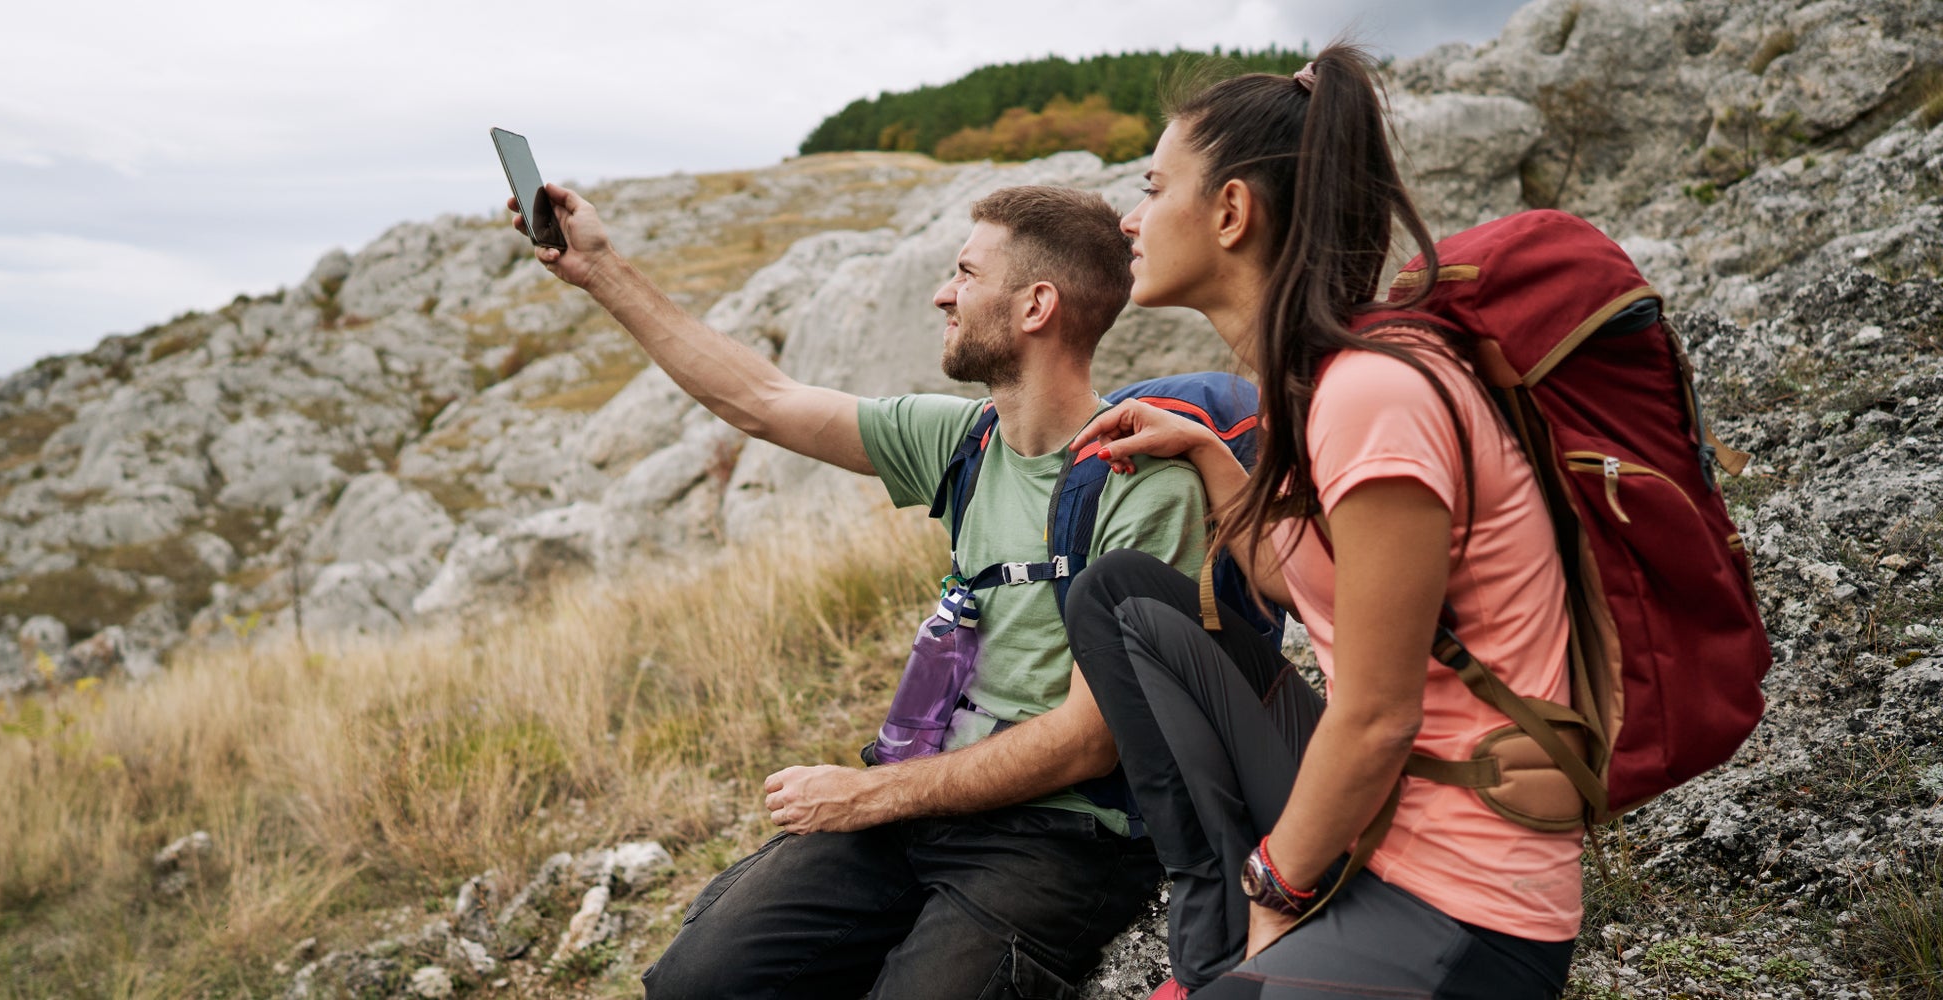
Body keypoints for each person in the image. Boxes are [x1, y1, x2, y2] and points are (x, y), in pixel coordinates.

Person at [512, 181, 1209, 998]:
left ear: (1036, 307)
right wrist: (599, 269)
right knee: (698, 982)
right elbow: (764, 402)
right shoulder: (963, 441)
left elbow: (1089, 741)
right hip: (923, 802)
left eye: (966, 273)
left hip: (1062, 836)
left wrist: (869, 793)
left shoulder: (1143, 489)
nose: (941, 293)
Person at [1061, 45, 1579, 999]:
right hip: (1384, 831)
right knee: (1122, 597)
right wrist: (1214, 460)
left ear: (1230, 212)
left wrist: (1278, 885)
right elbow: (1314, 583)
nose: (1132, 219)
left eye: (1152, 187)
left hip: (1463, 904)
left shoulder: (1371, 394)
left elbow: (1379, 716)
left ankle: (1247, 937)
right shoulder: (1316, 380)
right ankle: (1211, 942)